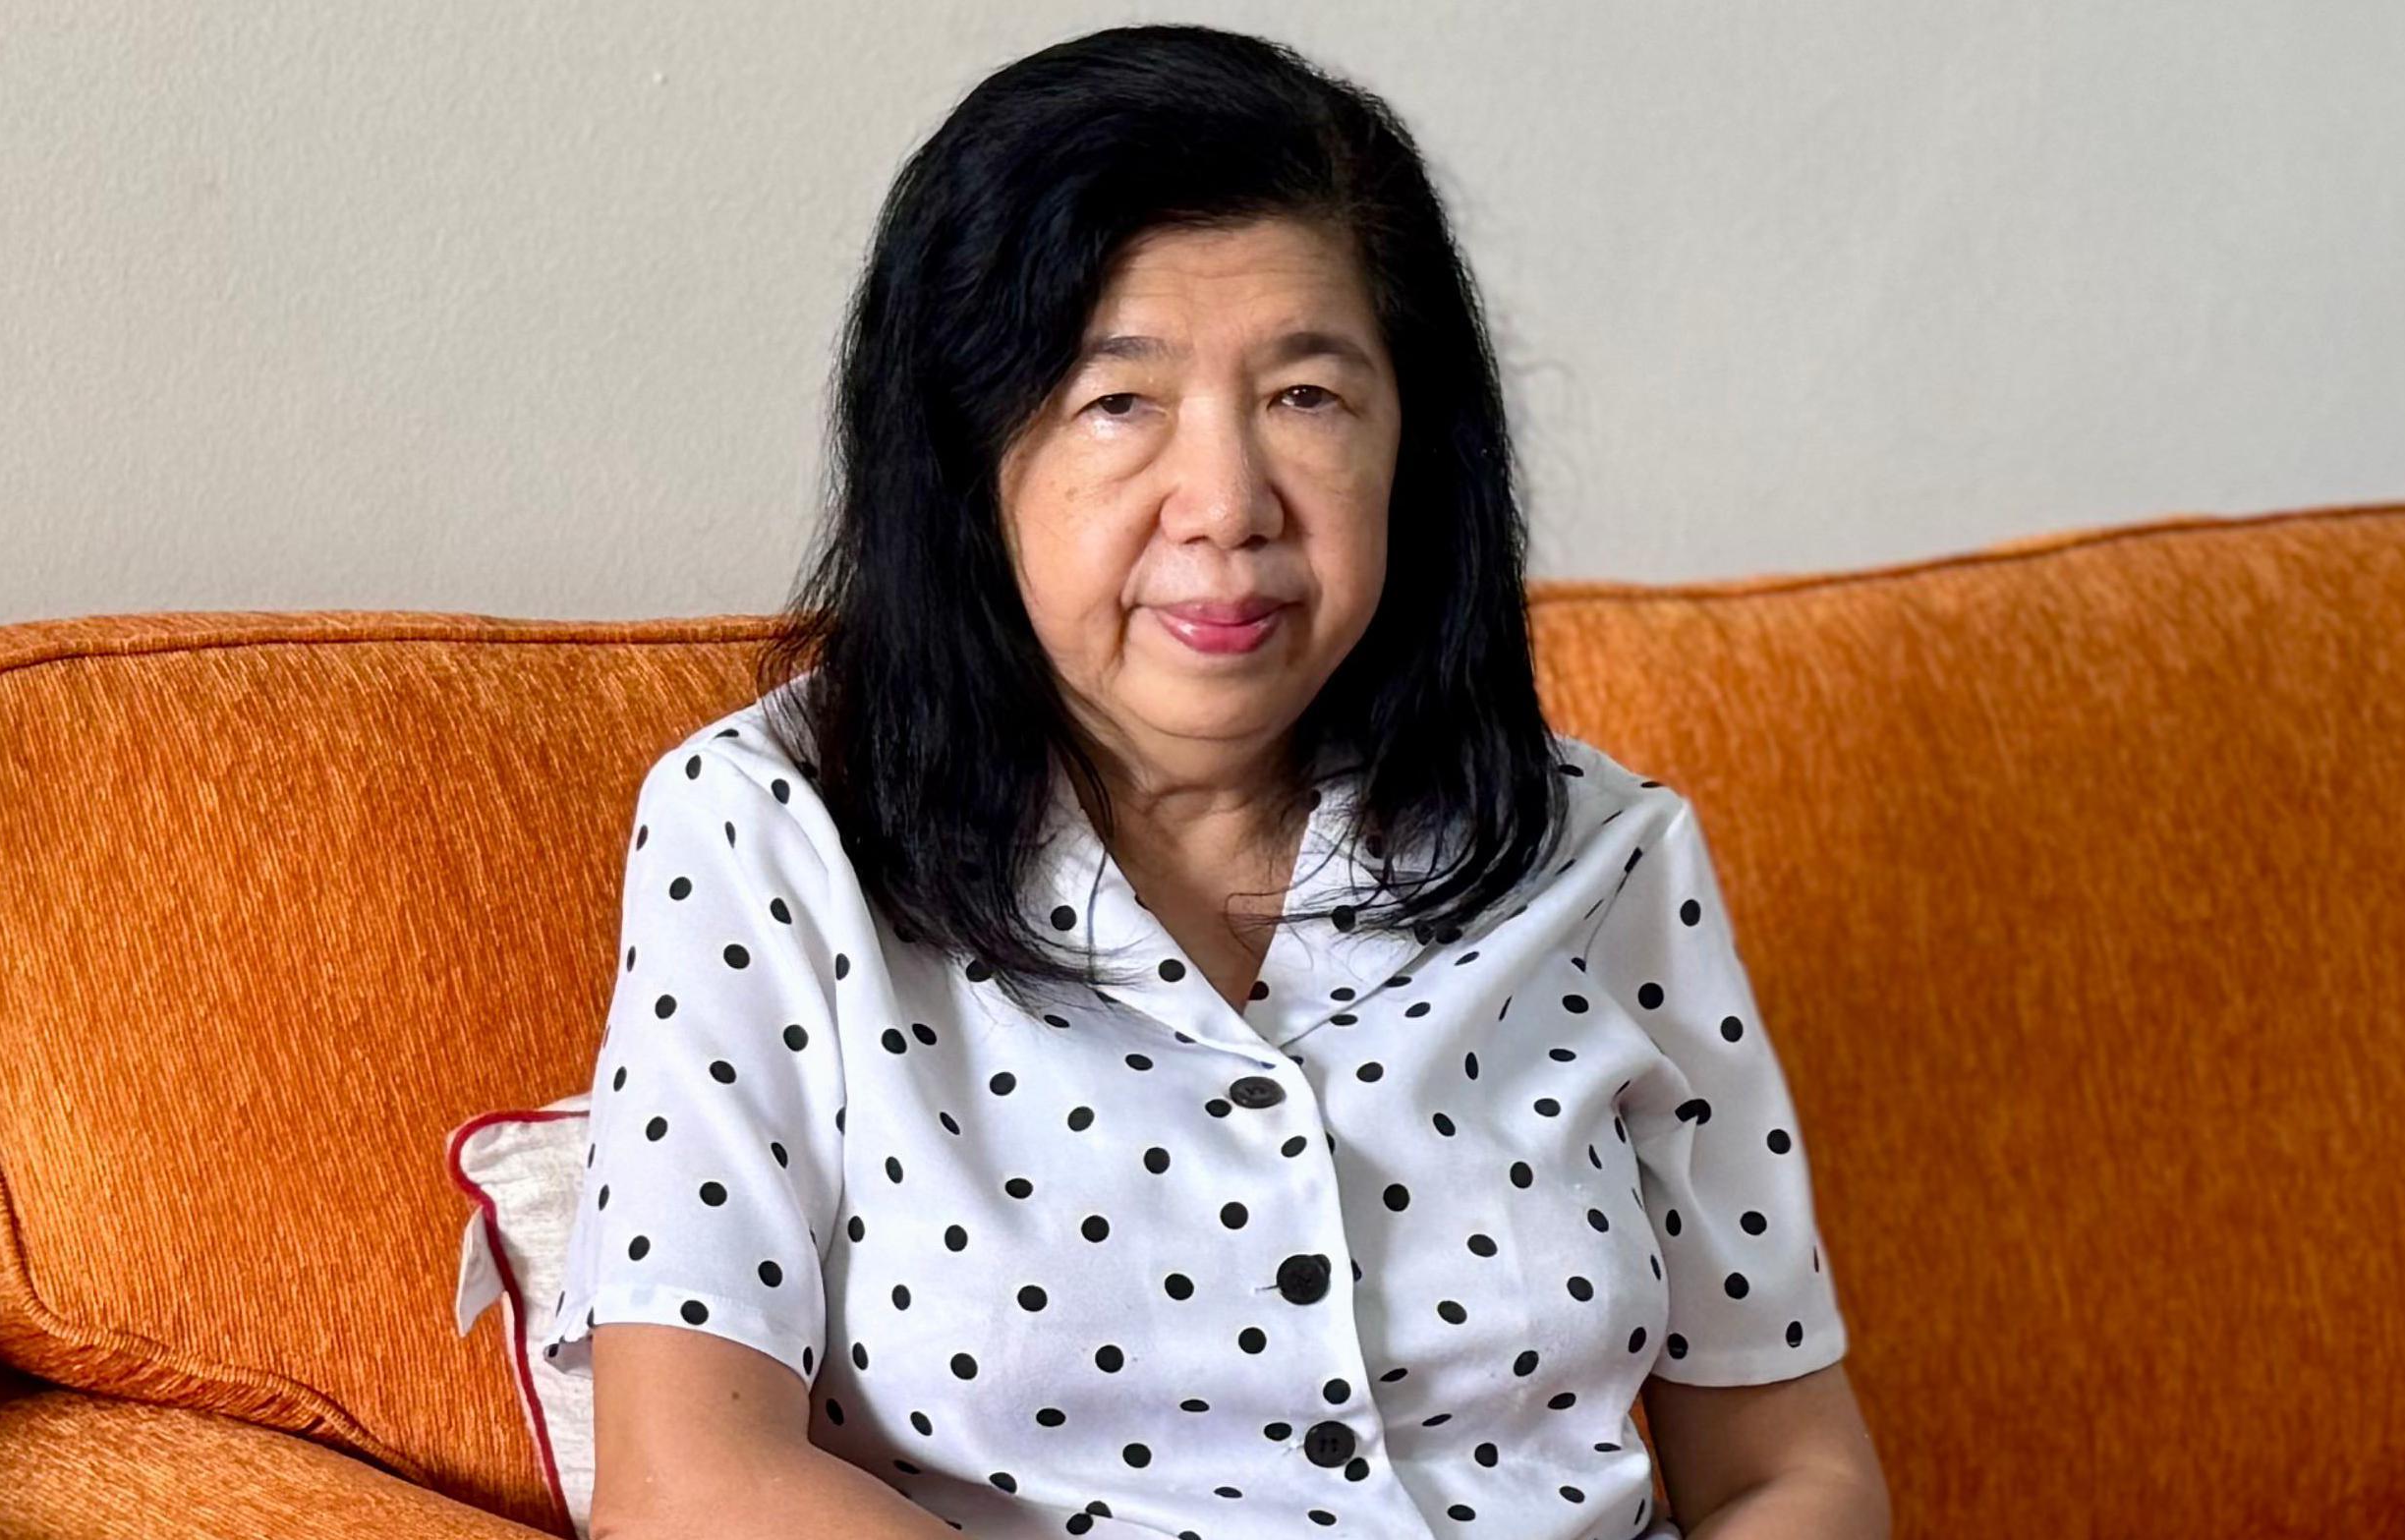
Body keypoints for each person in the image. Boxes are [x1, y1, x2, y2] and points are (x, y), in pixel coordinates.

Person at [552, 23, 1889, 1540]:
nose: (1227, 505)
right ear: (966, 454)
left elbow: (1792, 1469)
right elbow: (689, 1486)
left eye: (1305, 396)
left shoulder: (1601, 854)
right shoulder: (770, 833)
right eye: (1118, 401)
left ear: (1412, 444)